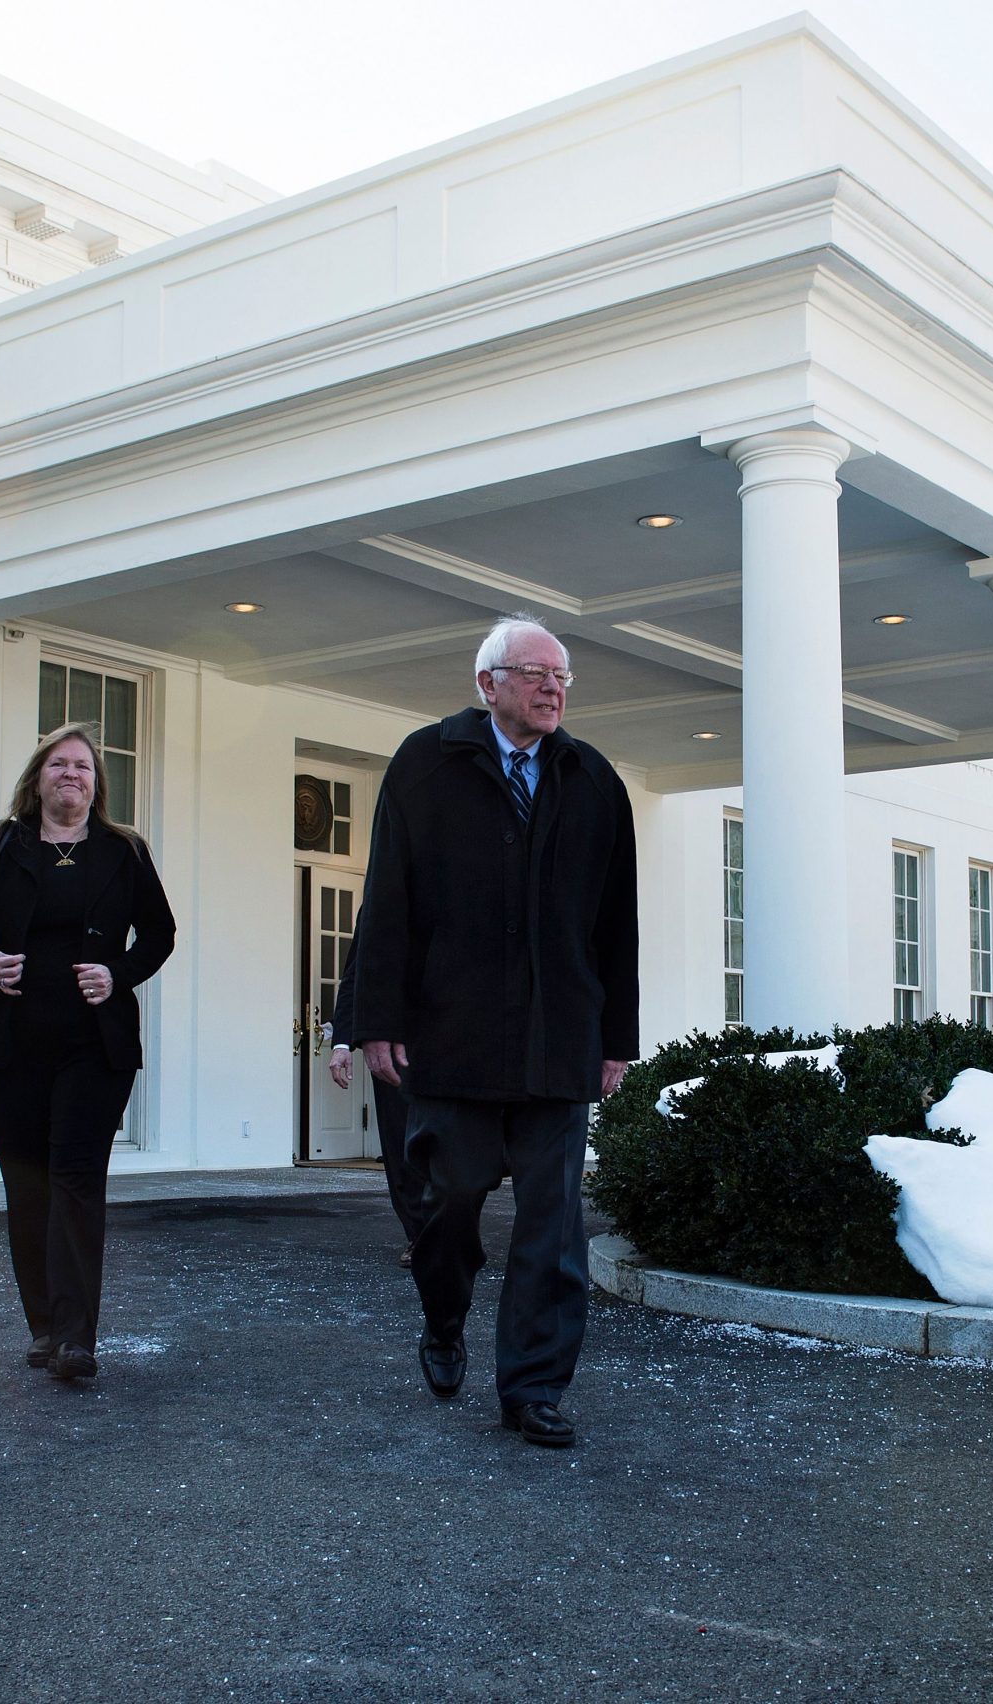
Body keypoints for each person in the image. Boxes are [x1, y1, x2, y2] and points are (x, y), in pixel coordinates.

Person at [348, 615, 638, 1449]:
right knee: (450, 1205)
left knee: (553, 1228)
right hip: (454, 1040)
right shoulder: (423, 764)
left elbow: (617, 922)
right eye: (535, 673)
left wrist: (616, 1034)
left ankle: (534, 1387)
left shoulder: (593, 780)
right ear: (488, 684)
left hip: (559, 1045)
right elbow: (388, 904)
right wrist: (378, 1021)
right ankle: (445, 1319)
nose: (553, 688)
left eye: (562, 677)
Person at [0, 723, 176, 1383]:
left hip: (95, 1045)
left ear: (97, 786)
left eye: (85, 768)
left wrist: (118, 974)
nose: (73, 775)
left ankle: (75, 1337)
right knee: (28, 1188)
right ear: (37, 777)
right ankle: (42, 1326)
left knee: (74, 1180)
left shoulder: (125, 852)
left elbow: (160, 932)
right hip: (9, 1047)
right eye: (61, 765)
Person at [327, 926, 427, 1264]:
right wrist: (342, 1043)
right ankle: (421, 1236)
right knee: (401, 1146)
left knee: (457, 1145)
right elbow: (355, 975)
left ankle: (455, 1231)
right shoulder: (383, 894)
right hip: (391, 1046)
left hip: (457, 1040)